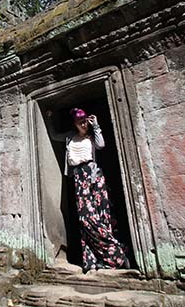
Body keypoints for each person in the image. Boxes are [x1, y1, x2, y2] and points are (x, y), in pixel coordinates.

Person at [46, 107, 128, 271]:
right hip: (78, 176)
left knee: (100, 215)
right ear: (75, 124)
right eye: (80, 121)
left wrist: (96, 126)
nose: (83, 124)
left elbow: (101, 145)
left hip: (93, 175)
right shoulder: (70, 137)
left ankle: (112, 256)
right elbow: (54, 136)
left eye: (85, 121)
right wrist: (48, 118)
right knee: (85, 220)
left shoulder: (92, 136)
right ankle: (103, 257)